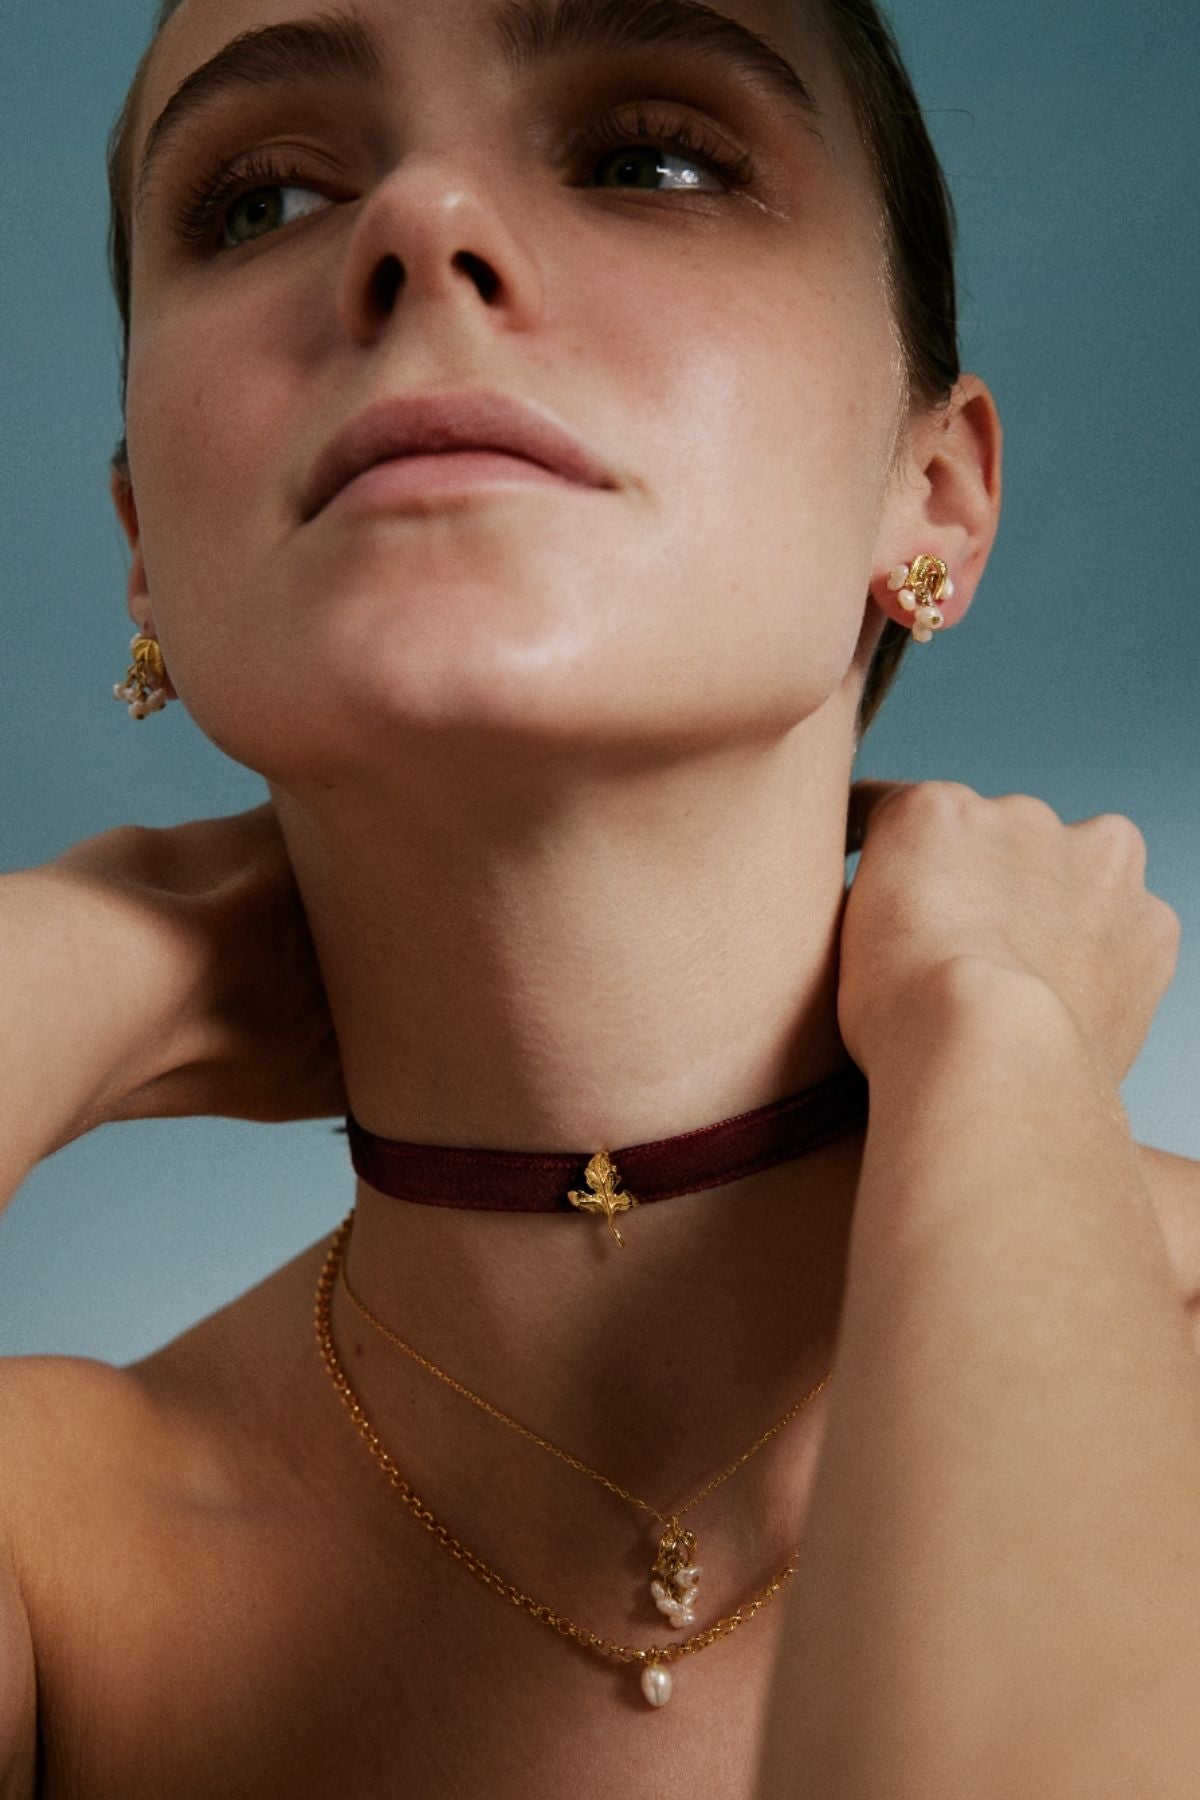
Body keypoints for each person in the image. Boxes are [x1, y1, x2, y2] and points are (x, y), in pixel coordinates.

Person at [1, 0, 1198, 1793]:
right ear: (145, 550)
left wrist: (999, 1051)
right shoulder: (50, 1553)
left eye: (650, 156)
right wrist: (82, 958)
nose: (419, 223)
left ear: (931, 498)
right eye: (258, 201)